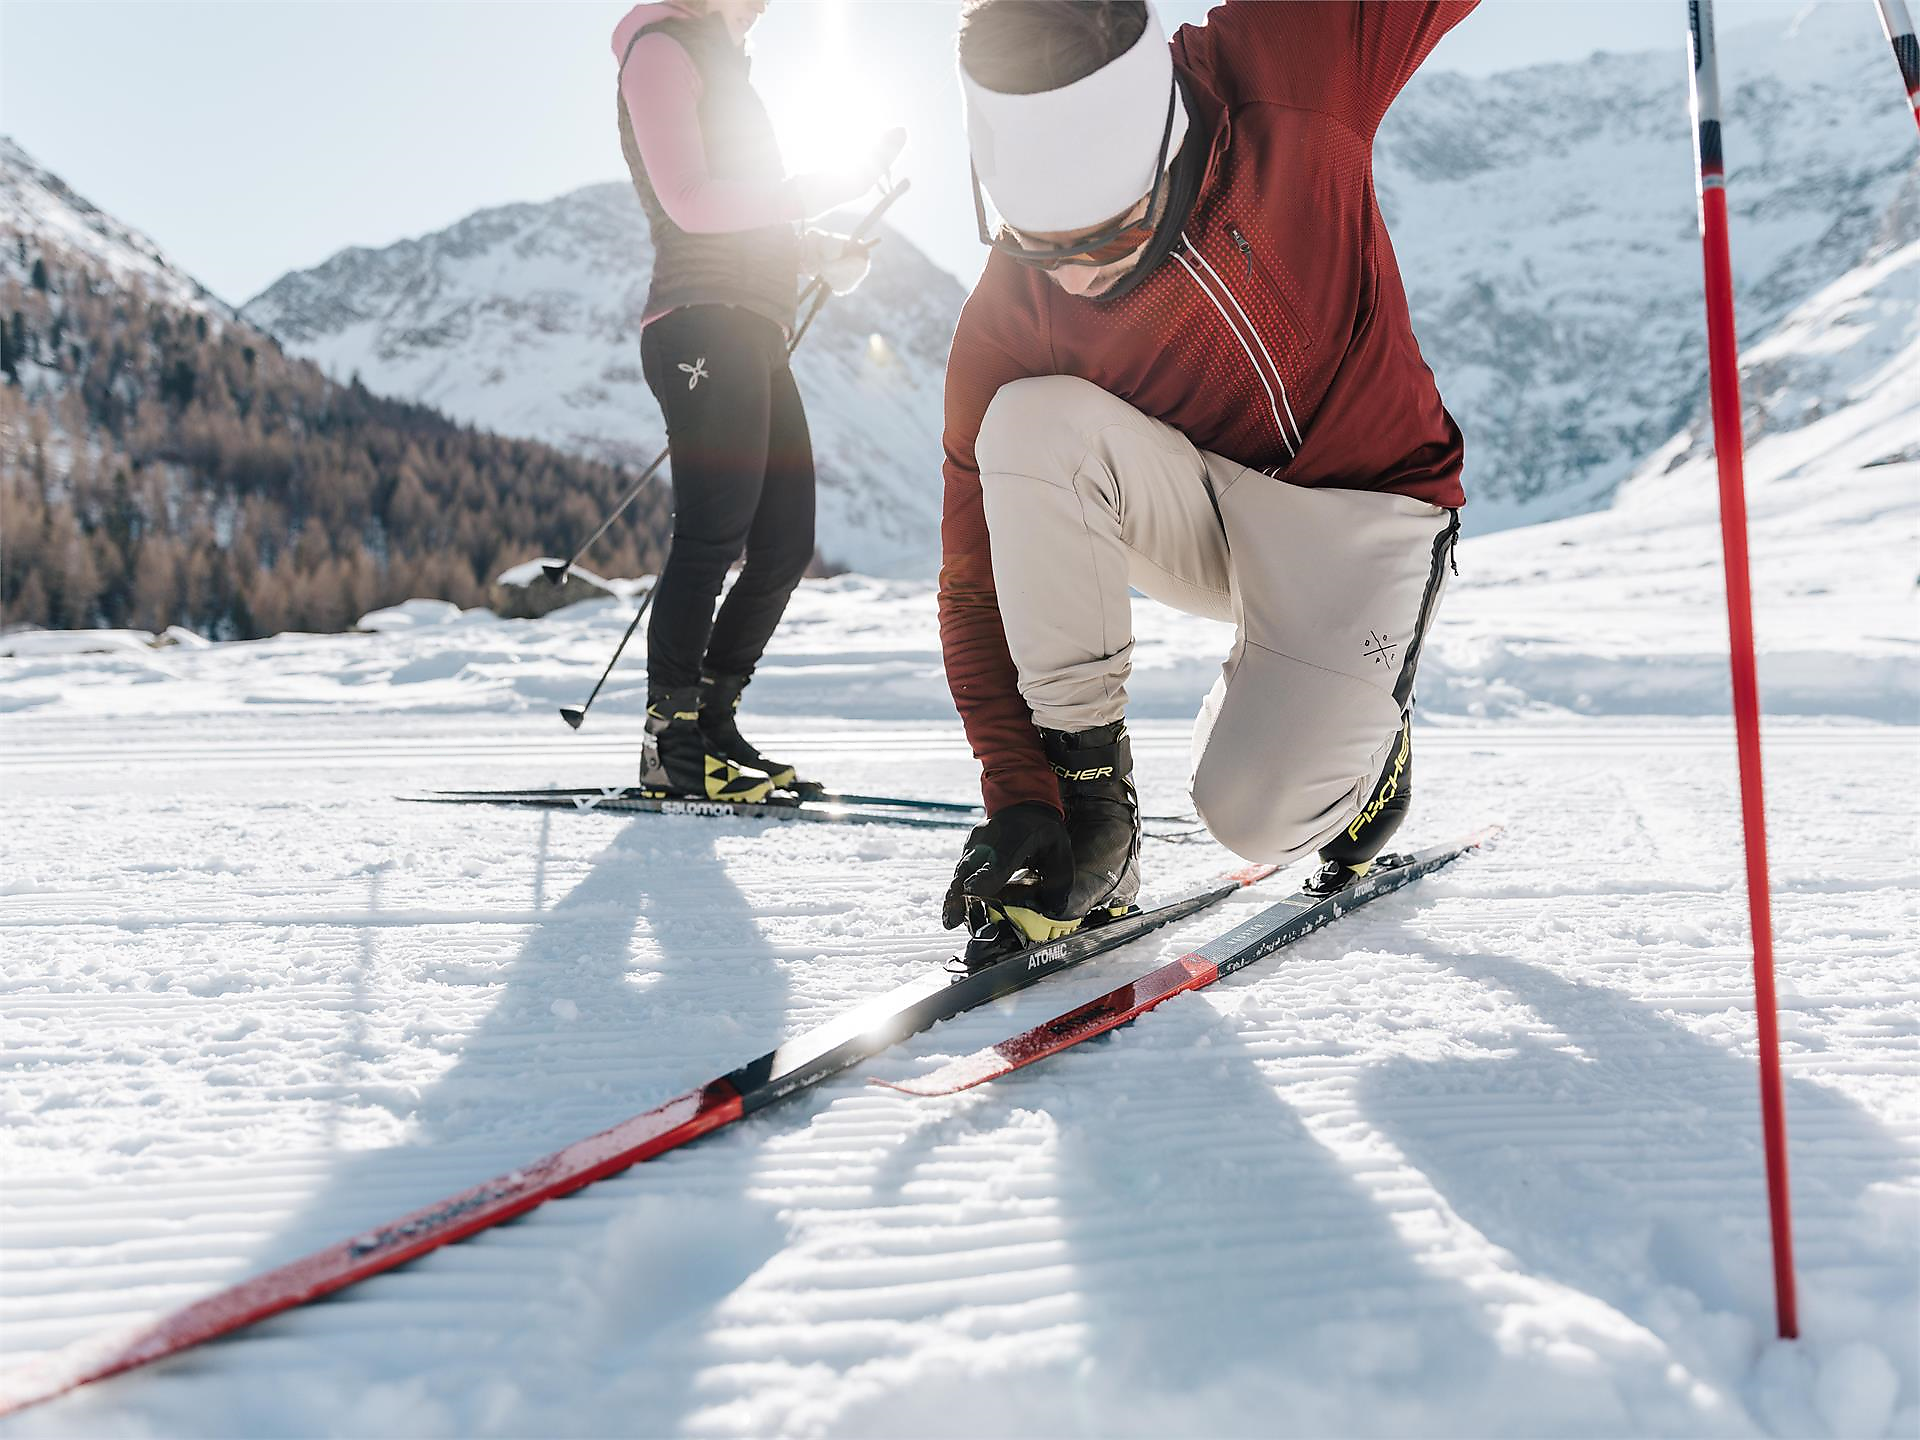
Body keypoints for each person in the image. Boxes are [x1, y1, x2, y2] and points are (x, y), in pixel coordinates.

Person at [938, 0, 1474, 961]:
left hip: (1368, 514)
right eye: (1041, 245)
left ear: (1171, 138)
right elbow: (976, 577)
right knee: (1026, 419)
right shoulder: (1012, 313)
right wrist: (1023, 794)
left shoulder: (1294, 58)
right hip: (1204, 509)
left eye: (1106, 238)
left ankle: (1365, 747)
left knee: (1255, 815)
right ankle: (1093, 810)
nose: (1074, 279)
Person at [612, 0, 903, 801]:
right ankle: (668, 742)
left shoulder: (725, 65)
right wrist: (816, 190)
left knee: (783, 542)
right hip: (698, 322)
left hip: (754, 327)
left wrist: (814, 251)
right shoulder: (660, 50)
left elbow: (744, 210)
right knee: (713, 534)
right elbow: (692, 203)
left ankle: (709, 719)